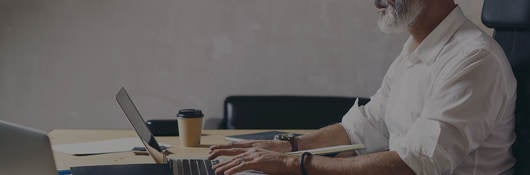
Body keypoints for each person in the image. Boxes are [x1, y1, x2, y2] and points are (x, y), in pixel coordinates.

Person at [208, 0, 517, 174]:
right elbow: (365, 126)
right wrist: (288, 146)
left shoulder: (474, 59)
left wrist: (292, 164)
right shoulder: (416, 50)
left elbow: (414, 164)